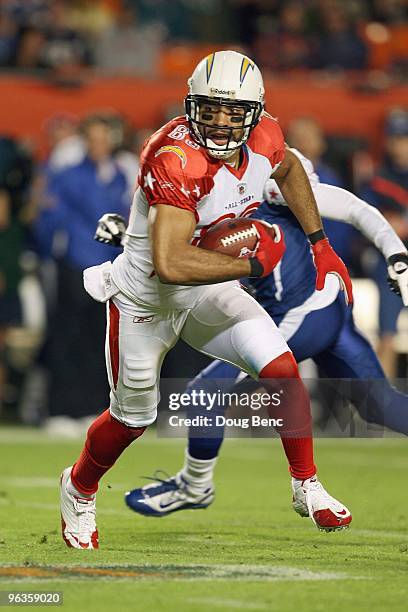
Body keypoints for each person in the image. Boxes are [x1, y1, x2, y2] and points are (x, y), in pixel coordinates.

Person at [59, 50, 354, 550]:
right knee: (133, 419)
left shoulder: (266, 137)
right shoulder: (174, 157)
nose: (220, 124)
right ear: (189, 105)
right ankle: (79, 488)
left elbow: (289, 173)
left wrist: (320, 244)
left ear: (255, 113)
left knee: (280, 367)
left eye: (232, 112)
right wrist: (252, 265)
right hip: (145, 299)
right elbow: (172, 263)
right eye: (209, 109)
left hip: (207, 288)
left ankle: (306, 483)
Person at [118, 149, 408, 518]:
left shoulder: (275, 188)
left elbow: (356, 209)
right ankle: (198, 485)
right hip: (329, 309)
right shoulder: (223, 189)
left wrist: (396, 255)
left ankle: (195, 485)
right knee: (379, 405)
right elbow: (182, 248)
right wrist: (126, 240)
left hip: (302, 314)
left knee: (204, 397)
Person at [361, 109, 408, 378]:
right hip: (391, 262)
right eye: (396, 138)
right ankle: (383, 404)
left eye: (404, 138)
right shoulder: (378, 178)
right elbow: (367, 222)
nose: (399, 145)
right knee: (387, 333)